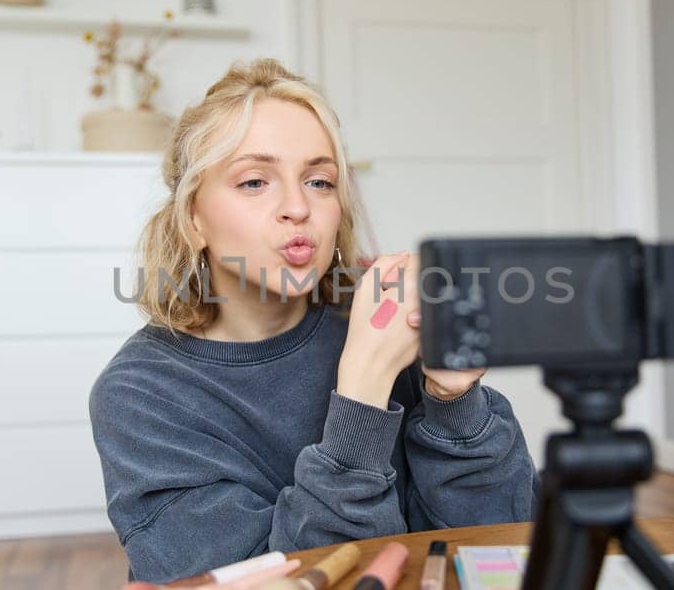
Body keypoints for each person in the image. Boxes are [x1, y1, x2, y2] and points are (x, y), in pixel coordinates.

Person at [89, 59, 535, 583]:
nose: (298, 207)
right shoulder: (141, 394)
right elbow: (273, 582)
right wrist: (364, 388)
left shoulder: (382, 323)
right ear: (193, 217)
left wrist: (453, 401)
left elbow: (498, 544)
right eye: (255, 181)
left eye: (320, 181)